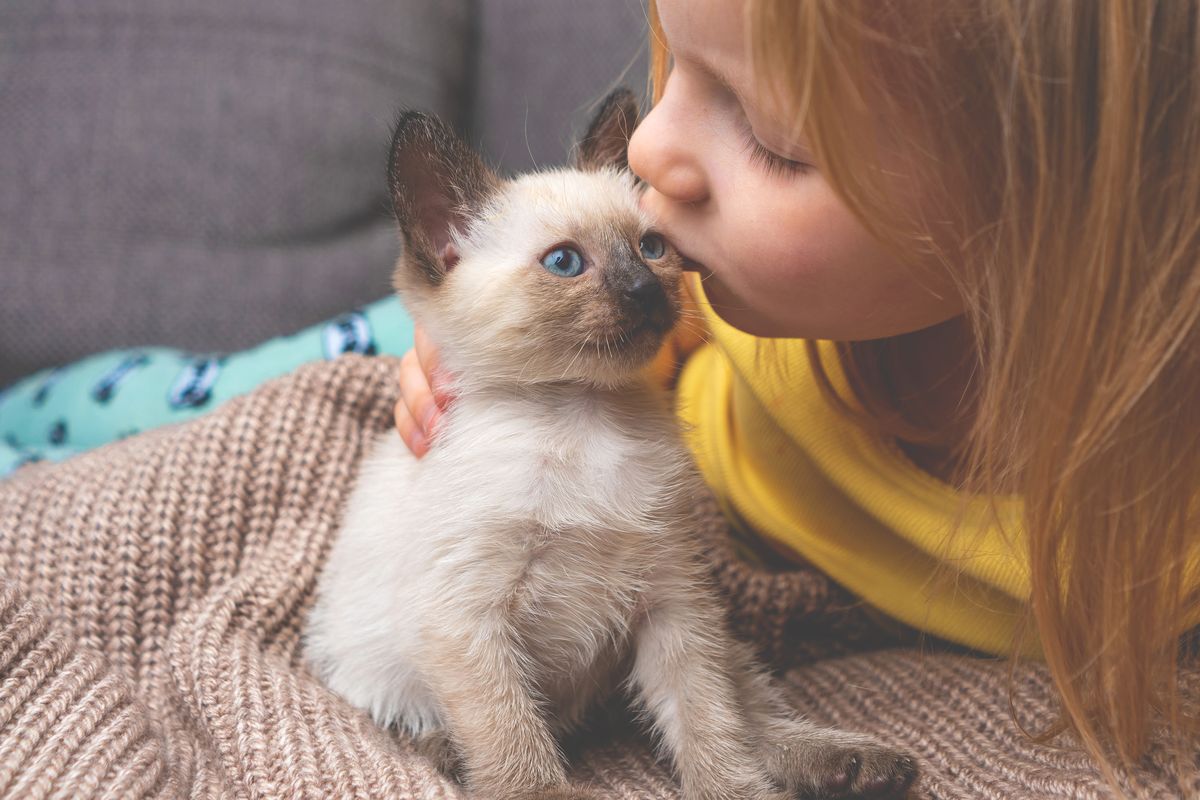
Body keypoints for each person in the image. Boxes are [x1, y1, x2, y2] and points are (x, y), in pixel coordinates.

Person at [1, 0, 1195, 786]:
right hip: (445, 359)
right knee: (255, 388)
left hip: (573, 391)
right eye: (672, 73)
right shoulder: (710, 301)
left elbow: (675, 611)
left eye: (773, 139)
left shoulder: (1155, 516)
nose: (655, 167)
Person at [394, 0, 1200, 784]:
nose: (647, 150)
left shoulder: (1166, 537)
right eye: (675, 67)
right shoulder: (732, 293)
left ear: (1045, 195)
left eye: (772, 137)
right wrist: (466, 336)